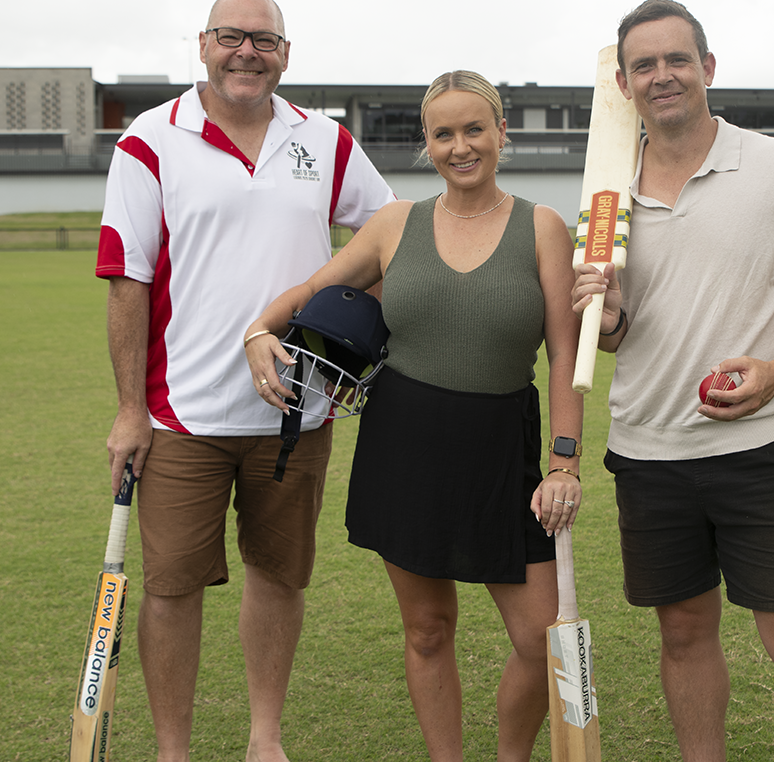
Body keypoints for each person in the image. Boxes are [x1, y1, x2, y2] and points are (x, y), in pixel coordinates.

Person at [242, 70, 586, 762]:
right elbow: (315, 288)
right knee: (428, 629)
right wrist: (258, 331)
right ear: (427, 145)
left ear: (501, 133)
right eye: (444, 134)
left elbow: (562, 356)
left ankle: (510, 756)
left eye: (474, 129)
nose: (461, 146)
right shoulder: (397, 223)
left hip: (504, 453)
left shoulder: (542, 227)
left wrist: (564, 462)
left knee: (541, 639)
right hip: (406, 448)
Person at [96, 0, 396, 762]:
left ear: (285, 55)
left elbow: (392, 233)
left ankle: (266, 738)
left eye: (264, 41)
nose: (247, 53)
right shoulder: (148, 139)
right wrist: (131, 410)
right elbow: (126, 278)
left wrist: (352, 312)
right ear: (203, 44)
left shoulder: (324, 142)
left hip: (298, 412)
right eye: (231, 37)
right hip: (181, 415)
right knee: (170, 589)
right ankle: (174, 751)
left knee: (279, 577)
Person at [570, 0, 774, 761]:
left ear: (706, 68)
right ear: (625, 83)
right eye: (643, 64)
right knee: (684, 636)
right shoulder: (606, 195)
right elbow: (615, 332)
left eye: (676, 59)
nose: (661, 75)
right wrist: (605, 321)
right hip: (650, 453)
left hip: (764, 447)